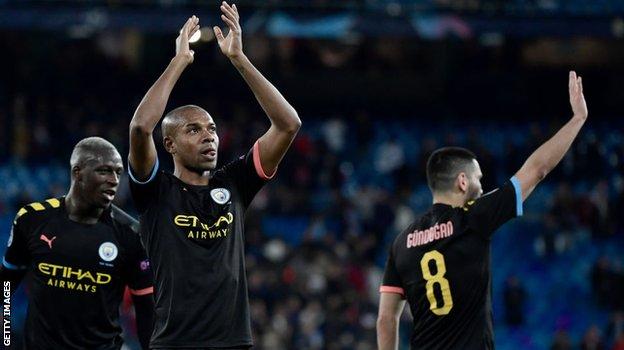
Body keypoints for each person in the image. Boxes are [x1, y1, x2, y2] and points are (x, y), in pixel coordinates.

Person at [127, 4, 301, 349]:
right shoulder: (155, 190)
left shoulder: (233, 183)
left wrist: (239, 59)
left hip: (234, 342)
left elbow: (288, 124)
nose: (208, 136)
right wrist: (180, 60)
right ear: (170, 145)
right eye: (193, 130)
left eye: (211, 129)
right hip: (174, 343)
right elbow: (139, 126)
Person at [376, 71, 588, 349]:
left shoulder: (401, 241)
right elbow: (537, 169)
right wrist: (577, 120)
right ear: (462, 181)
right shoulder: (473, 217)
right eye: (478, 178)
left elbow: (385, 319)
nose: (482, 184)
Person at [0, 137, 154, 349]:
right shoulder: (32, 219)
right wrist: (6, 337)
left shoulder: (131, 233)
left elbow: (147, 311)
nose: (114, 180)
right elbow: (7, 283)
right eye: (104, 171)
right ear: (77, 172)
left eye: (118, 172)